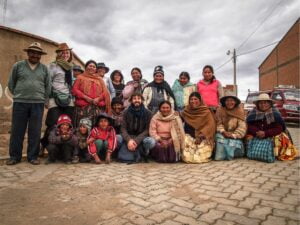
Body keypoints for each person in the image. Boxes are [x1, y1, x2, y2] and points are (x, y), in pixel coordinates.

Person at [6, 42, 51, 165]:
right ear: (28, 53)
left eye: (38, 53)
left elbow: (48, 86)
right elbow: (11, 83)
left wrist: (43, 98)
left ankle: (32, 156)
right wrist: (20, 94)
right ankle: (15, 157)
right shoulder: (18, 66)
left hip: (38, 104)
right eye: (32, 52)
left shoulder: (44, 69)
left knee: (35, 131)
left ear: (40, 55)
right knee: (17, 130)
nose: (35, 55)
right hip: (20, 102)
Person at [41, 43, 74, 152]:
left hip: (68, 98)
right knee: (52, 124)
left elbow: (70, 84)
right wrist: (46, 100)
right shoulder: (53, 66)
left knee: (69, 123)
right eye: (63, 52)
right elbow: (48, 83)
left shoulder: (70, 67)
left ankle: (63, 149)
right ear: (59, 54)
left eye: (67, 52)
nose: (65, 54)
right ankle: (44, 145)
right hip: (54, 98)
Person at [246, 93, 285, 163]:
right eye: (260, 103)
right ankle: (251, 152)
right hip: (256, 135)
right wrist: (257, 132)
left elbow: (279, 128)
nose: (263, 105)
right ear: (257, 104)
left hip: (271, 135)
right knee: (247, 137)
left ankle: (275, 154)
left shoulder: (275, 113)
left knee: (279, 139)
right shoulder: (253, 113)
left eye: (265, 103)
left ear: (270, 104)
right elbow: (248, 125)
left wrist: (266, 133)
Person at [72, 60, 111, 127]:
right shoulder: (80, 77)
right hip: (82, 109)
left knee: (95, 128)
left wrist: (98, 99)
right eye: (90, 66)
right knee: (82, 128)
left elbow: (105, 92)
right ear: (86, 67)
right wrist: (86, 97)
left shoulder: (100, 80)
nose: (92, 67)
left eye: (94, 66)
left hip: (97, 108)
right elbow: (75, 90)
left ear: (96, 69)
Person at [118, 93, 155, 163]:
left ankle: (146, 153)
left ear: (142, 100)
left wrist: (136, 141)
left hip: (142, 137)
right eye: (134, 99)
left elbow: (147, 130)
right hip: (129, 136)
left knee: (151, 141)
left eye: (139, 98)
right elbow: (123, 128)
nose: (136, 100)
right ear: (131, 101)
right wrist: (129, 140)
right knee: (117, 138)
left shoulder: (148, 113)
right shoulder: (125, 112)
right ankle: (119, 152)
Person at [181, 92, 216, 163]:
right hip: (188, 137)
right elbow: (179, 120)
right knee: (187, 157)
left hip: (203, 137)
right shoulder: (186, 111)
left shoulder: (206, 111)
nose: (193, 101)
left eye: (195, 99)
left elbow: (210, 126)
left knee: (200, 157)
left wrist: (201, 136)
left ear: (200, 101)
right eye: (191, 99)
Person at [214, 95, 246, 161]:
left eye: (232, 100)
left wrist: (233, 135)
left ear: (235, 102)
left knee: (231, 143)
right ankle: (221, 156)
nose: (229, 102)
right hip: (223, 134)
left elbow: (242, 127)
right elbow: (218, 123)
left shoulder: (240, 111)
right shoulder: (220, 110)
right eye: (227, 100)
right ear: (224, 102)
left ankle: (226, 155)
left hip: (235, 136)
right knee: (219, 138)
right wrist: (223, 132)